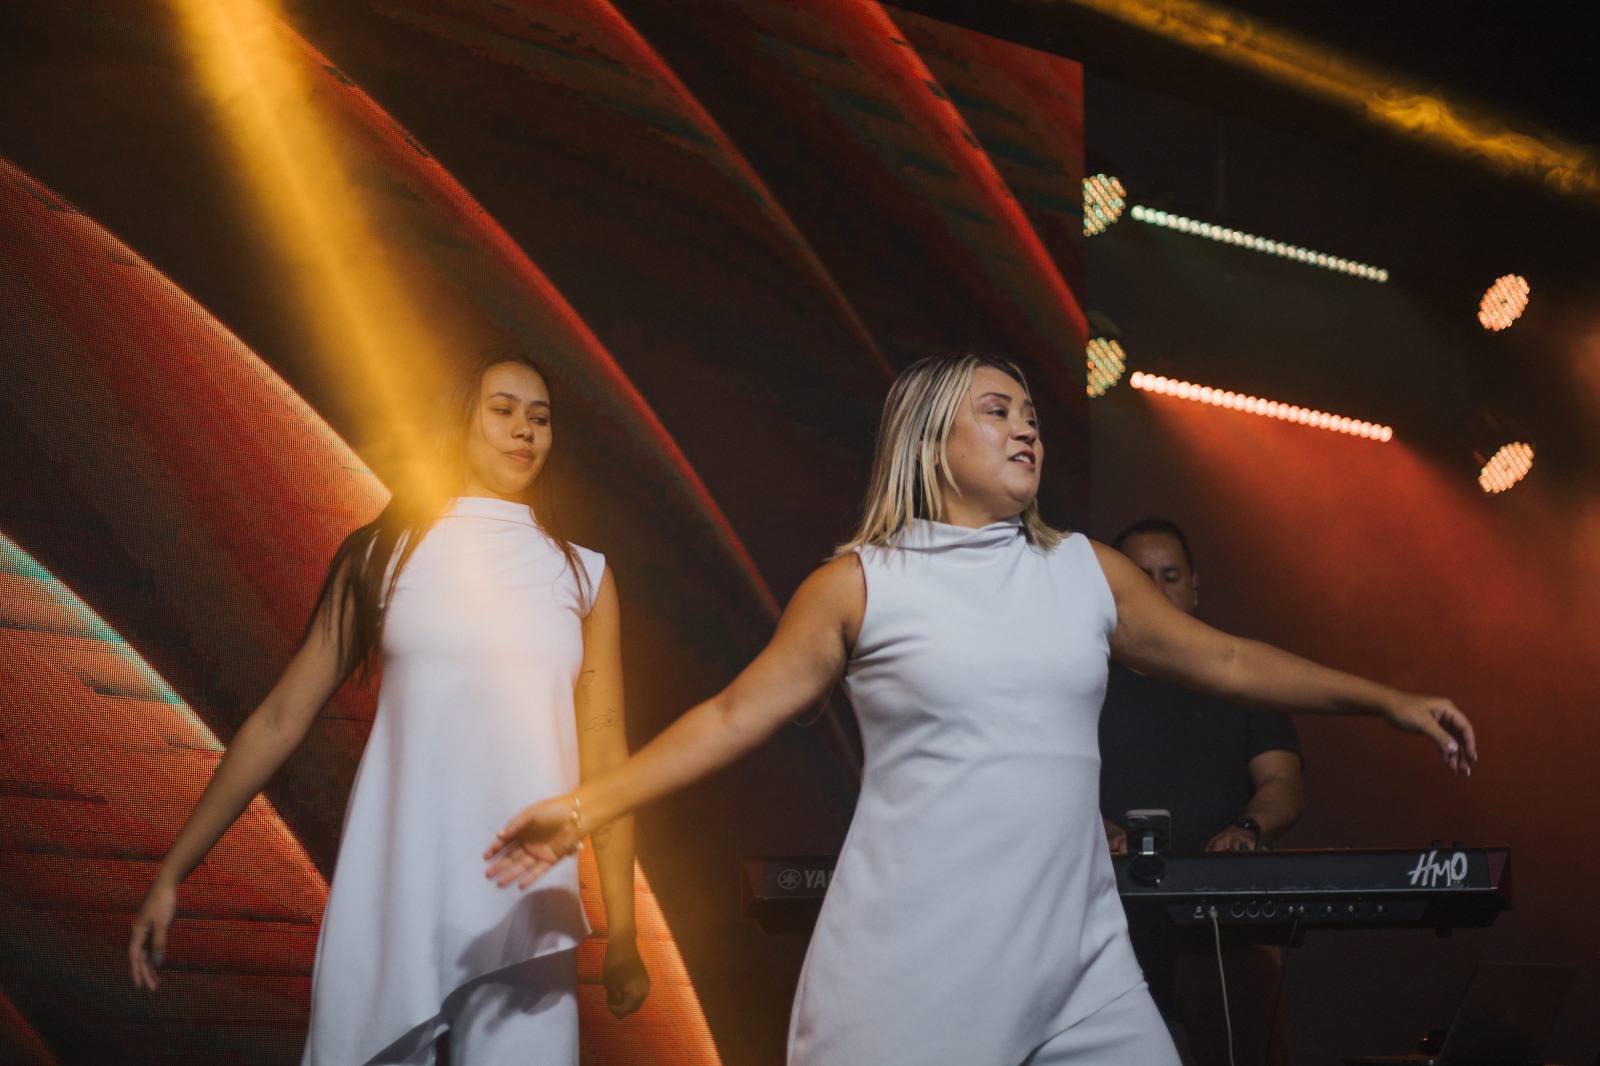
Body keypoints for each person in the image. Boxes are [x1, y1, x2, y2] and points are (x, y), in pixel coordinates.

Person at [483, 353, 1475, 1066]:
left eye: (1031, 414)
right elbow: (733, 713)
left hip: (1078, 962)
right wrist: (586, 805)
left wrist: (1385, 700)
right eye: (997, 412)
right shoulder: (860, 584)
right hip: (912, 968)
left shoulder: (1083, 570)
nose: (1026, 428)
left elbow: (1224, 660)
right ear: (930, 440)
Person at [128, 348, 650, 1065]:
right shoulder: (382, 555)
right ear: (460, 422)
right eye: (503, 410)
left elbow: (607, 753)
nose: (525, 430)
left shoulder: (583, 576)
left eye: (541, 417)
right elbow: (281, 718)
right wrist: (173, 871)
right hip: (395, 886)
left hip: (526, 906)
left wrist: (624, 932)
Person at [1099, 517, 1302, 1066]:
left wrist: (1249, 828)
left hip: (1225, 928)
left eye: (1170, 576)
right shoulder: (1082, 678)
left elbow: (1283, 782)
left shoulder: (1239, 677)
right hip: (1109, 928)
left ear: (1194, 588)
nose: (1156, 590)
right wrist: (1099, 830)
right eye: (1140, 577)